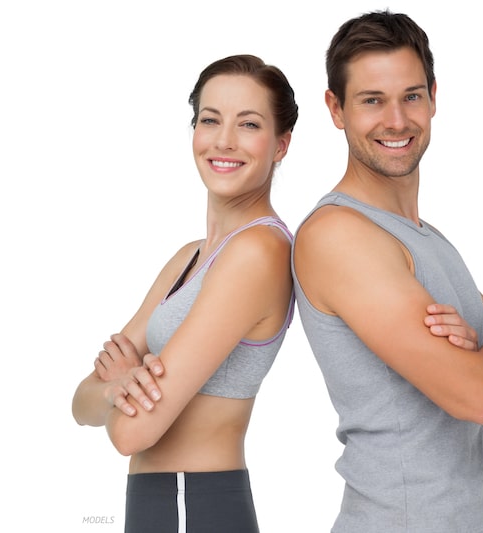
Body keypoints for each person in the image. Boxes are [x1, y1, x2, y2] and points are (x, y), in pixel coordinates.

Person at [291, 10, 483, 533]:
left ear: (434, 97)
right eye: (372, 100)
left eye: (411, 96)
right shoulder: (338, 235)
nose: (397, 120)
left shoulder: (431, 242)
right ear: (335, 109)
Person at [72, 54, 298, 533]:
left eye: (249, 124)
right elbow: (80, 402)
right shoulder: (190, 257)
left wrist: (122, 381)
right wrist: (116, 387)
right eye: (209, 120)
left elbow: (133, 432)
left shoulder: (259, 251)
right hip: (164, 503)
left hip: (195, 502)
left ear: (281, 144)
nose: (223, 141)